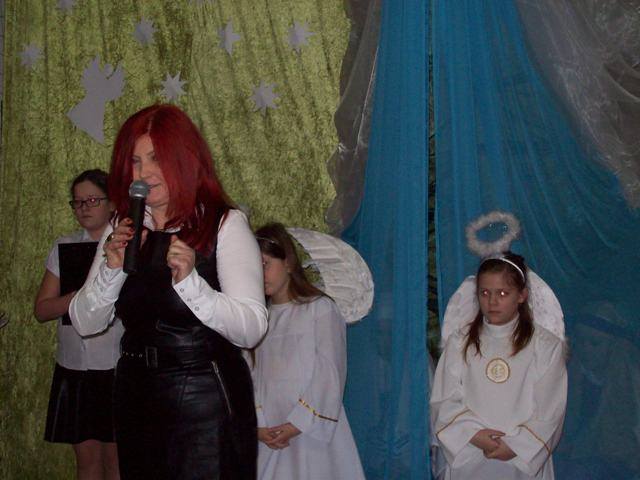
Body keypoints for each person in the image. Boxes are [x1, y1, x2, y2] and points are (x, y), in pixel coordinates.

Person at [68, 105, 268, 479]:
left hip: (204, 396)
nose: (142, 173)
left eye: (155, 158)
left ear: (183, 158)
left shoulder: (223, 223)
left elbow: (252, 328)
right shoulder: (123, 225)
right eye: (134, 161)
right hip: (135, 393)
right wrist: (111, 270)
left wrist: (192, 283)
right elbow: (84, 322)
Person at [430, 252, 567, 479]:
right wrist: (474, 435)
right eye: (485, 293)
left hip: (521, 461)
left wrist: (516, 446)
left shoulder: (545, 346)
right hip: (471, 454)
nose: (492, 302)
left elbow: (550, 409)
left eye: (503, 293)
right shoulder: (460, 342)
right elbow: (444, 398)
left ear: (521, 295)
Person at [252, 223, 365, 480]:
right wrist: (258, 424)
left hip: (312, 431)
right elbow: (249, 374)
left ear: (289, 263)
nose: (260, 274)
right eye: (253, 267)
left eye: (265, 264)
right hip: (269, 431)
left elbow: (330, 371)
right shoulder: (257, 320)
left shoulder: (320, 309)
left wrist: (298, 423)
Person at [34, 169, 121, 480]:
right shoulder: (64, 245)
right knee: (87, 463)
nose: (84, 208)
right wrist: (79, 299)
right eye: (78, 202)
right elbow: (42, 310)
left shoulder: (127, 246)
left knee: (117, 464)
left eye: (93, 200)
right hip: (74, 368)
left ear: (113, 204)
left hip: (116, 367)